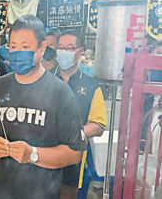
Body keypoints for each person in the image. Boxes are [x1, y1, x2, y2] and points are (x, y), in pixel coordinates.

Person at [0, 15, 87, 198]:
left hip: (42, 192)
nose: (18, 52)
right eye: (13, 47)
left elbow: (75, 153)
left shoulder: (60, 92)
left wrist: (33, 154)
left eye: (25, 47)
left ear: (42, 48)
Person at [56, 29, 107, 198]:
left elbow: (98, 124)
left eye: (70, 48)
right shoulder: (46, 79)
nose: (64, 52)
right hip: (44, 153)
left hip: (75, 156)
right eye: (61, 48)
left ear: (80, 52)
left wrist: (76, 134)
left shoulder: (91, 85)